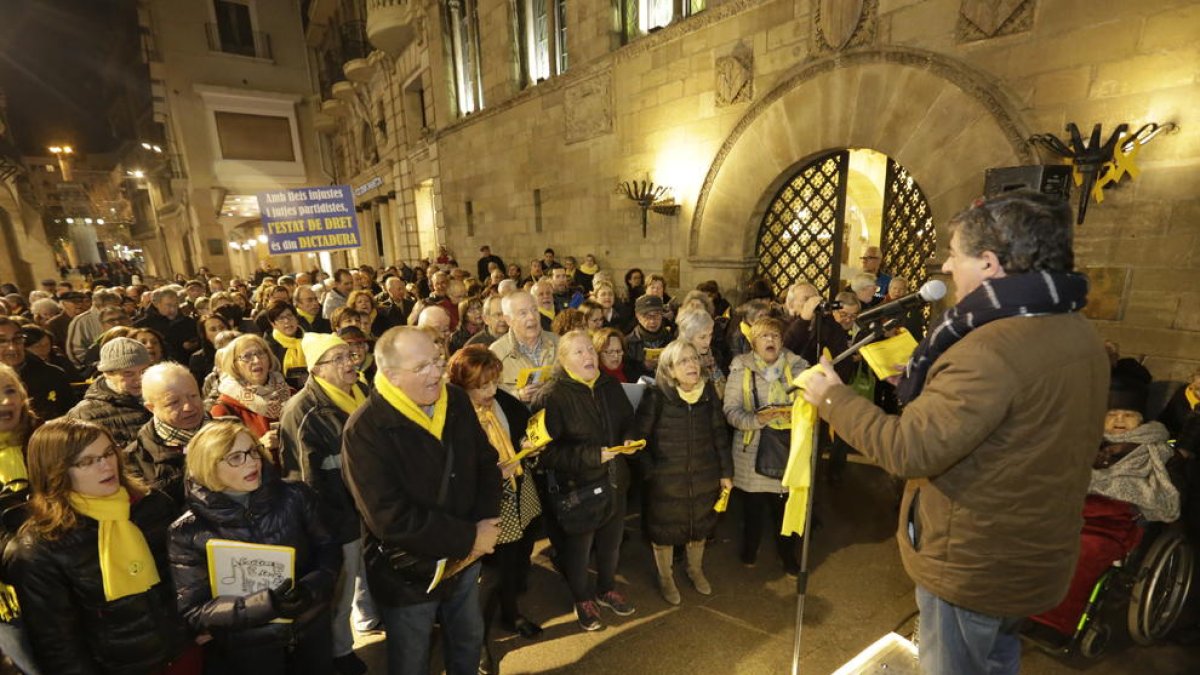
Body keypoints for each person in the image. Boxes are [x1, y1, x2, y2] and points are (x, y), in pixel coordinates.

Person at [800, 190, 1109, 674]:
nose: (946, 265)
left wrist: (833, 399)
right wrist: (932, 390)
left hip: (975, 560)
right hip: (1031, 550)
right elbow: (1014, 421)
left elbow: (909, 450)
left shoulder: (989, 349)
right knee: (998, 658)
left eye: (955, 253)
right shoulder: (1074, 329)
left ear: (989, 263)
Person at [341, 327, 502, 675]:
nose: (437, 373)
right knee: (412, 658)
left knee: (468, 640)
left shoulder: (455, 400)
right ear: (391, 375)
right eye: (423, 367)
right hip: (409, 574)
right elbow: (389, 517)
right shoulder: (364, 430)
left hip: (465, 558)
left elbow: (486, 464)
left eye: (437, 361)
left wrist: (485, 524)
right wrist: (469, 536)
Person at [7, 418, 190, 674]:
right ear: (55, 472)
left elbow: (184, 579)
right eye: (87, 462)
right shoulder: (39, 549)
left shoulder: (151, 505)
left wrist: (198, 628)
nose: (106, 465)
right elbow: (59, 647)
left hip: (185, 654)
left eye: (108, 453)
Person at [169, 420, 341, 675]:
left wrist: (309, 589)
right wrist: (267, 604)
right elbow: (195, 610)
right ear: (208, 466)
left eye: (253, 451)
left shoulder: (295, 496)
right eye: (236, 457)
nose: (252, 462)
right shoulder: (188, 531)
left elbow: (328, 550)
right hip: (250, 652)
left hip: (311, 635)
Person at [279, 333, 374, 675]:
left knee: (369, 575)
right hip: (338, 516)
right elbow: (303, 480)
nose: (351, 362)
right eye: (338, 359)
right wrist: (323, 529)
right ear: (316, 369)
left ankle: (371, 620)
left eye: (350, 355)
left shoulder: (363, 391)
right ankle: (340, 652)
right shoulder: (302, 411)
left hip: (371, 509)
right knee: (340, 591)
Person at [531, 330, 638, 631]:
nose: (588, 356)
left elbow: (628, 420)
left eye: (590, 349)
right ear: (563, 360)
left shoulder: (609, 386)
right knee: (579, 551)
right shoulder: (551, 396)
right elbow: (544, 454)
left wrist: (629, 439)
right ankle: (582, 598)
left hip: (616, 481)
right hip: (579, 488)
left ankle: (606, 588)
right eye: (578, 352)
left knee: (611, 545)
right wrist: (592, 455)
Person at [447, 346, 543, 666]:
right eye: (481, 386)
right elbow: (453, 469)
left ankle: (511, 613)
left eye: (493, 383)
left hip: (516, 488)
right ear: (462, 387)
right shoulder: (454, 416)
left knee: (516, 562)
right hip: (487, 502)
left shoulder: (500, 399)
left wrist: (528, 444)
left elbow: (523, 425)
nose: (490, 391)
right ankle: (481, 642)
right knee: (489, 577)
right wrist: (491, 472)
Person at [631, 340, 731, 605]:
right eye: (683, 361)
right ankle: (666, 578)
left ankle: (695, 569)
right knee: (664, 533)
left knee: (699, 526)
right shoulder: (656, 396)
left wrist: (725, 473)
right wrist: (652, 472)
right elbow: (637, 440)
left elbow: (719, 434)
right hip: (666, 480)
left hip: (704, 475)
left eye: (694, 359)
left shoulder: (708, 392)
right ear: (670, 370)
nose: (692, 365)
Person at [723, 317, 806, 574]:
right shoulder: (740, 368)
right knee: (753, 509)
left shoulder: (799, 368)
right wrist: (757, 419)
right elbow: (730, 410)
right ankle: (750, 549)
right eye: (764, 337)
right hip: (751, 448)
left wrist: (798, 415)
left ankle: (787, 555)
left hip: (786, 448)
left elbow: (811, 405)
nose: (770, 341)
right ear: (753, 343)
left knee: (785, 508)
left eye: (775, 336)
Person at [0, 365, 42, 675]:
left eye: (10, 390)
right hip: (6, 594)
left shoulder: (45, 440)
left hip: (56, 577)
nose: (5, 402)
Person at [126, 362, 208, 509]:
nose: (189, 407)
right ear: (151, 408)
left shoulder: (233, 434)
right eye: (174, 402)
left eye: (193, 396)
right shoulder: (135, 459)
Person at [210, 335, 290, 469]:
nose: (256, 360)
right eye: (246, 356)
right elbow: (220, 460)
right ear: (234, 365)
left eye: (260, 353)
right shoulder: (223, 409)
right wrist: (258, 446)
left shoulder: (291, 393)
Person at [66, 337, 154, 447]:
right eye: (128, 373)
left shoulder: (161, 398)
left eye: (144, 371)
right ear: (107, 374)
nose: (139, 379)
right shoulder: (84, 414)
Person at [1, 317, 76, 421]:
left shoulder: (53, 376)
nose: (12, 347)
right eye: (2, 341)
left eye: (17, 339)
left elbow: (70, 419)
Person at [490, 291, 558, 402]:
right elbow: (491, 398)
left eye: (534, 310)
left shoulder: (559, 343)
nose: (532, 317)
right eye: (523, 313)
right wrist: (518, 396)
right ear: (508, 320)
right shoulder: (496, 353)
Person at [625, 295, 674, 380]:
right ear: (638, 316)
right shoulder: (628, 343)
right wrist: (643, 367)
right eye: (646, 316)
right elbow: (626, 375)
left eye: (657, 315)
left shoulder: (671, 340)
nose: (652, 320)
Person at [263, 301, 308, 389]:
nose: (287, 321)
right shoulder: (269, 348)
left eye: (290, 316)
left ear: (296, 318)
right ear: (273, 324)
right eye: (281, 318)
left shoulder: (310, 339)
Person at [189, 313, 231, 389]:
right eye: (213, 329)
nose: (219, 332)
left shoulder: (241, 349)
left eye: (222, 327)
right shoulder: (198, 359)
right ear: (205, 335)